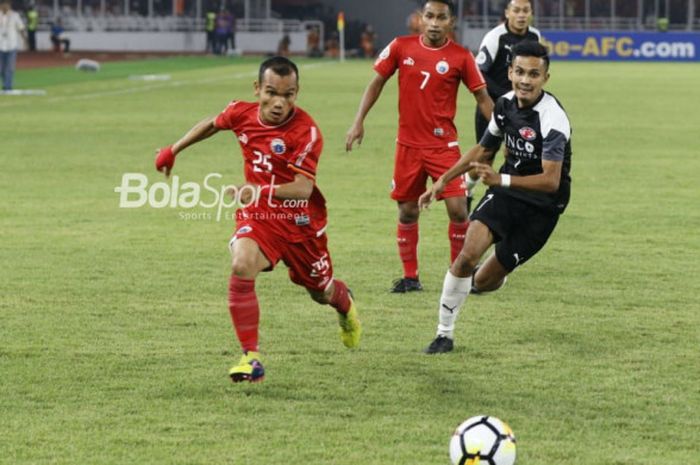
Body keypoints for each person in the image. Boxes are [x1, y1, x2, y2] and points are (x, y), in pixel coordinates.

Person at [154, 57, 361, 383]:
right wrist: (174, 148)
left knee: (321, 292)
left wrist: (258, 190)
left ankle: (344, 302)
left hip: (300, 224)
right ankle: (251, 358)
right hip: (261, 215)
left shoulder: (306, 131)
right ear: (257, 89)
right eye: (271, 93)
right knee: (242, 263)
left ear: (297, 93)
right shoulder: (242, 112)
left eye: (288, 95)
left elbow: (303, 189)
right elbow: (213, 123)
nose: (279, 103)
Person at [418, 41, 572, 354]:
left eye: (533, 74)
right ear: (510, 72)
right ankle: (443, 335)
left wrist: (499, 178)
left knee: (483, 282)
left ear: (545, 78)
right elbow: (484, 149)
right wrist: (444, 181)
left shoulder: (553, 118)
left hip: (543, 208)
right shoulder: (503, 104)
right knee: (467, 255)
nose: (525, 80)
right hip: (506, 194)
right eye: (519, 72)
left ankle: (496, 276)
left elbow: (550, 181)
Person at [345, 0, 493, 293]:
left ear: (450, 21)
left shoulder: (461, 57)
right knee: (408, 212)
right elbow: (376, 83)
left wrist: (502, 132)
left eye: (441, 17)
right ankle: (410, 277)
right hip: (408, 147)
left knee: (458, 210)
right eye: (430, 16)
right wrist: (358, 120)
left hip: (444, 147)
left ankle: (459, 274)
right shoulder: (401, 47)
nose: (435, 23)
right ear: (419, 19)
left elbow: (483, 99)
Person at [468, 0, 540, 209]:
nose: (521, 15)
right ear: (507, 12)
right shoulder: (495, 37)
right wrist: (506, 95)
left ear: (531, 13)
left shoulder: (535, 36)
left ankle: (510, 200)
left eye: (525, 10)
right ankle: (468, 188)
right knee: (485, 156)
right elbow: (479, 72)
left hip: (520, 110)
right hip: (491, 105)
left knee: (517, 154)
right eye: (516, 10)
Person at [0, 0, 26, 91]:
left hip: (12, 45)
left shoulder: (15, 15)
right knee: (1, 69)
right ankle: (5, 84)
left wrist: (24, 40)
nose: (6, 6)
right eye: (4, 4)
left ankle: (8, 86)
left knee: (10, 67)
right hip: (0, 45)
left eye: (7, 4)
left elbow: (21, 28)